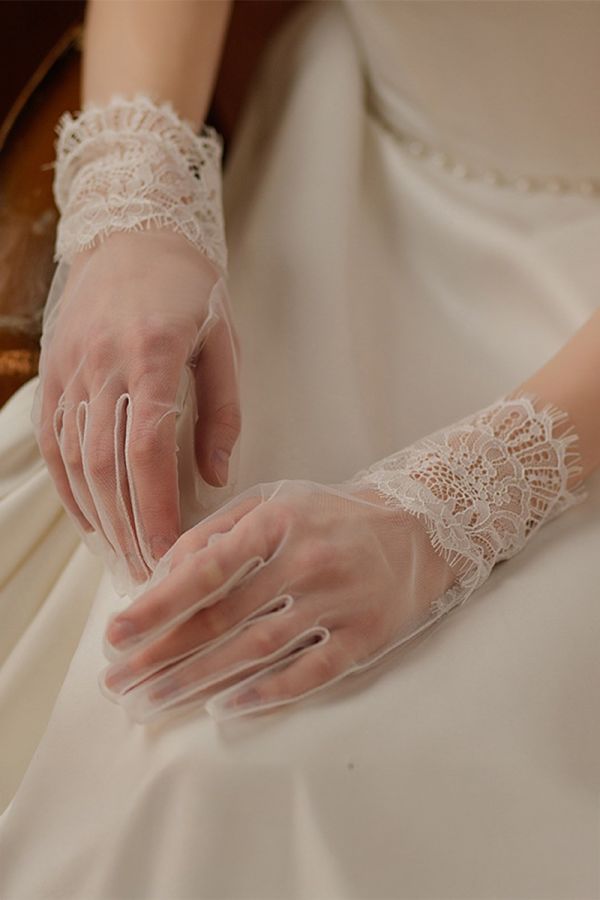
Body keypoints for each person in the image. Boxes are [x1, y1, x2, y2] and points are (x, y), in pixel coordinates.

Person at [0, 1, 599, 897]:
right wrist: (134, 210)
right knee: (139, 672)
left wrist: (445, 511)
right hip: (347, 168)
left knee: (285, 758)